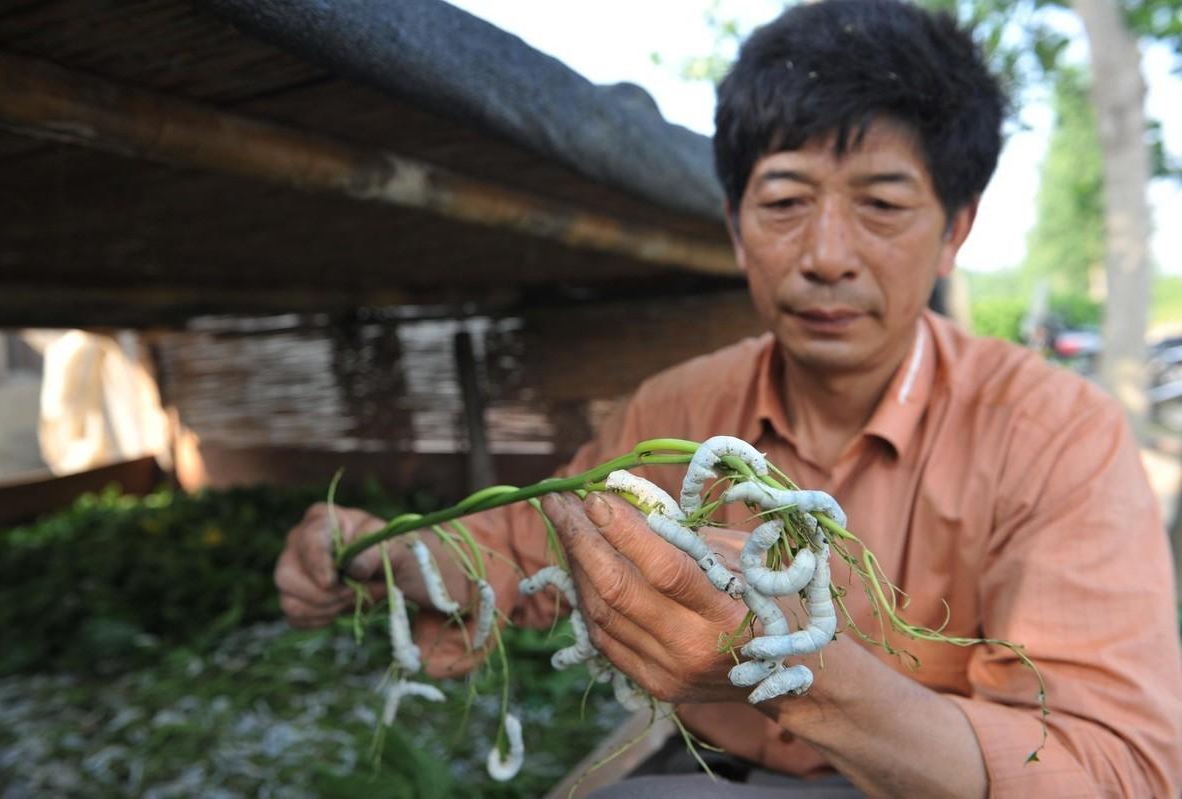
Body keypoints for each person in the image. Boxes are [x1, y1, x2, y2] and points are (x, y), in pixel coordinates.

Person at [275, 0, 1182, 795]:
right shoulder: (672, 409)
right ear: (736, 232)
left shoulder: (1060, 434)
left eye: (882, 205)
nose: (827, 253)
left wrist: (805, 673)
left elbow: (1117, 769)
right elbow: (518, 548)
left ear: (956, 230)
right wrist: (374, 549)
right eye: (784, 201)